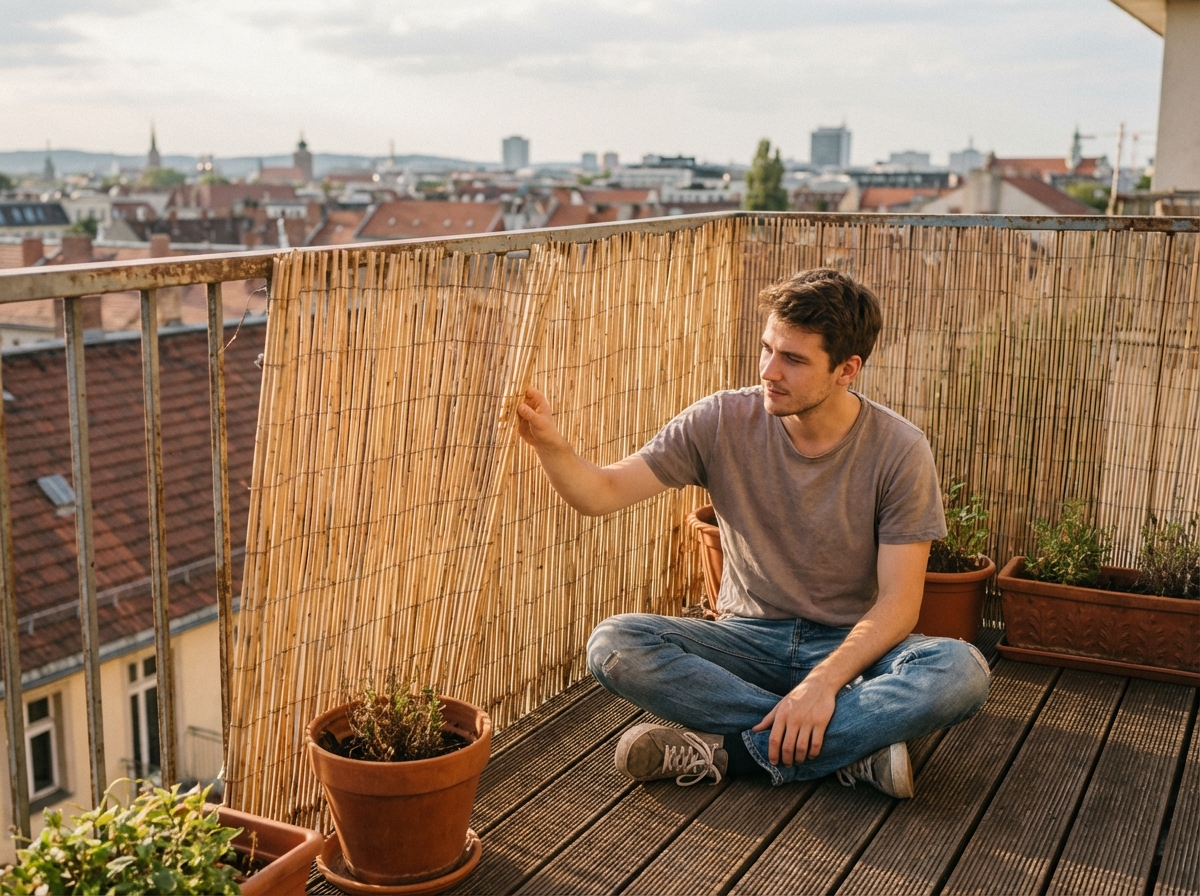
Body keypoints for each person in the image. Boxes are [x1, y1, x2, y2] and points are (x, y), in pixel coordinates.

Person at [514, 268, 991, 798]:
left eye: (793, 359)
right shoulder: (721, 420)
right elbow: (601, 493)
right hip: (745, 643)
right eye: (767, 349)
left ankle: (733, 752)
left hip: (849, 648)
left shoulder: (899, 449)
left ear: (846, 370)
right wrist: (551, 447)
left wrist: (822, 683)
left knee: (960, 670)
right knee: (614, 644)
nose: (769, 370)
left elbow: (900, 605)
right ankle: (848, 746)